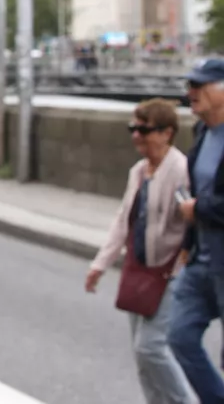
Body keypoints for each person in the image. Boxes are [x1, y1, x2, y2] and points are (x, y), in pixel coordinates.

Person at [86, 99, 193, 403]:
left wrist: (184, 261)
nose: (136, 135)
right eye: (133, 128)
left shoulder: (180, 169)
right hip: (140, 269)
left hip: (170, 272)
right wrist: (100, 264)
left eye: (144, 129)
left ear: (166, 133)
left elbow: (191, 221)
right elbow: (123, 220)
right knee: (141, 356)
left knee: (151, 347)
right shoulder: (138, 171)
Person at [169, 58, 224, 401]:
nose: (191, 92)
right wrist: (187, 243)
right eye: (189, 85)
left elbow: (203, 202)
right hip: (201, 258)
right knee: (179, 336)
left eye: (199, 85)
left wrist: (199, 209)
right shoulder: (202, 131)